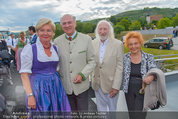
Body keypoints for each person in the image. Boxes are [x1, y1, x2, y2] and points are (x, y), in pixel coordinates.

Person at [20, 18, 71, 112]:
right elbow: (24, 75)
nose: (45, 33)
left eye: (49, 30)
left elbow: (57, 69)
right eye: (42, 30)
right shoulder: (30, 49)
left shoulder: (56, 49)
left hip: (56, 87)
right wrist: (30, 95)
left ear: (53, 33)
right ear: (38, 32)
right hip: (38, 89)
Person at [54, 14, 96, 112]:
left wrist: (82, 75)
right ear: (61, 25)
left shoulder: (86, 39)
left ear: (75, 23)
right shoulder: (57, 41)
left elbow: (92, 61)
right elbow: (56, 62)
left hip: (81, 87)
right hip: (65, 87)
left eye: (69, 22)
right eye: (64, 23)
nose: (67, 25)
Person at [122, 31, 158, 119]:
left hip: (143, 89)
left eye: (136, 43)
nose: (133, 46)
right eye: (130, 44)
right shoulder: (124, 57)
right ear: (127, 45)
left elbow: (155, 71)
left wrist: (151, 77)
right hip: (128, 89)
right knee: (131, 114)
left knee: (140, 114)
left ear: (140, 43)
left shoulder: (149, 57)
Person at [92, 20, 123, 111]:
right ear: (97, 31)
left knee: (112, 110)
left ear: (109, 30)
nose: (102, 31)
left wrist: (116, 86)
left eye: (105, 29)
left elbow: (120, 66)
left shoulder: (118, 44)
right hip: (97, 84)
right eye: (100, 29)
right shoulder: (93, 43)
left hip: (111, 85)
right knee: (100, 109)